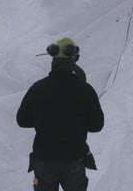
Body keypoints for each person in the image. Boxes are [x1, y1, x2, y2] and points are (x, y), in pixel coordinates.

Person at [17, 37, 104, 191]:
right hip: (74, 161)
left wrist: (43, 119)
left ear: (53, 59)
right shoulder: (85, 90)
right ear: (74, 60)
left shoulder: (38, 88)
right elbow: (96, 126)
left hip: (44, 161)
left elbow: (22, 120)